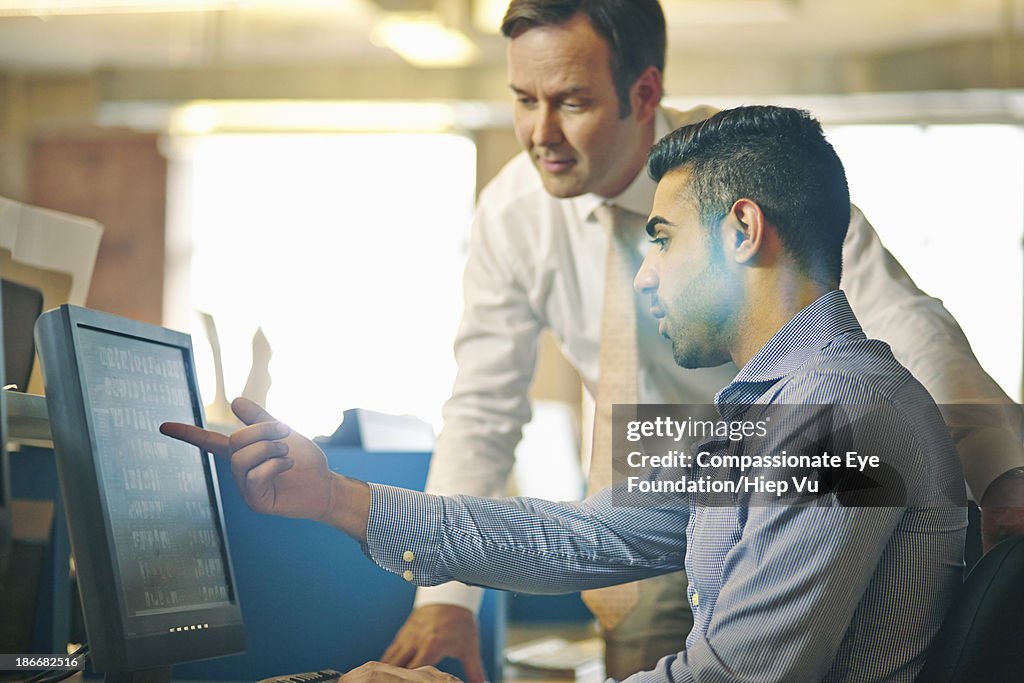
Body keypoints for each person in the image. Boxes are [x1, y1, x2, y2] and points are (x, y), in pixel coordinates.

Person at [162, 105, 970, 683]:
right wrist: (335, 496)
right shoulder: (777, 410)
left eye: (661, 239)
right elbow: (576, 537)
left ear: (742, 230)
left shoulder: (835, 416)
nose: (644, 271)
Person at [369, 0, 1024, 680]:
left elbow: (904, 322)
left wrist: (1004, 472)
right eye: (522, 100)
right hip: (675, 484)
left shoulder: (745, 179)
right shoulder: (514, 213)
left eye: (571, 101)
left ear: (643, 92)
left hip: (791, 467)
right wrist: (442, 593)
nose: (541, 132)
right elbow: (484, 411)